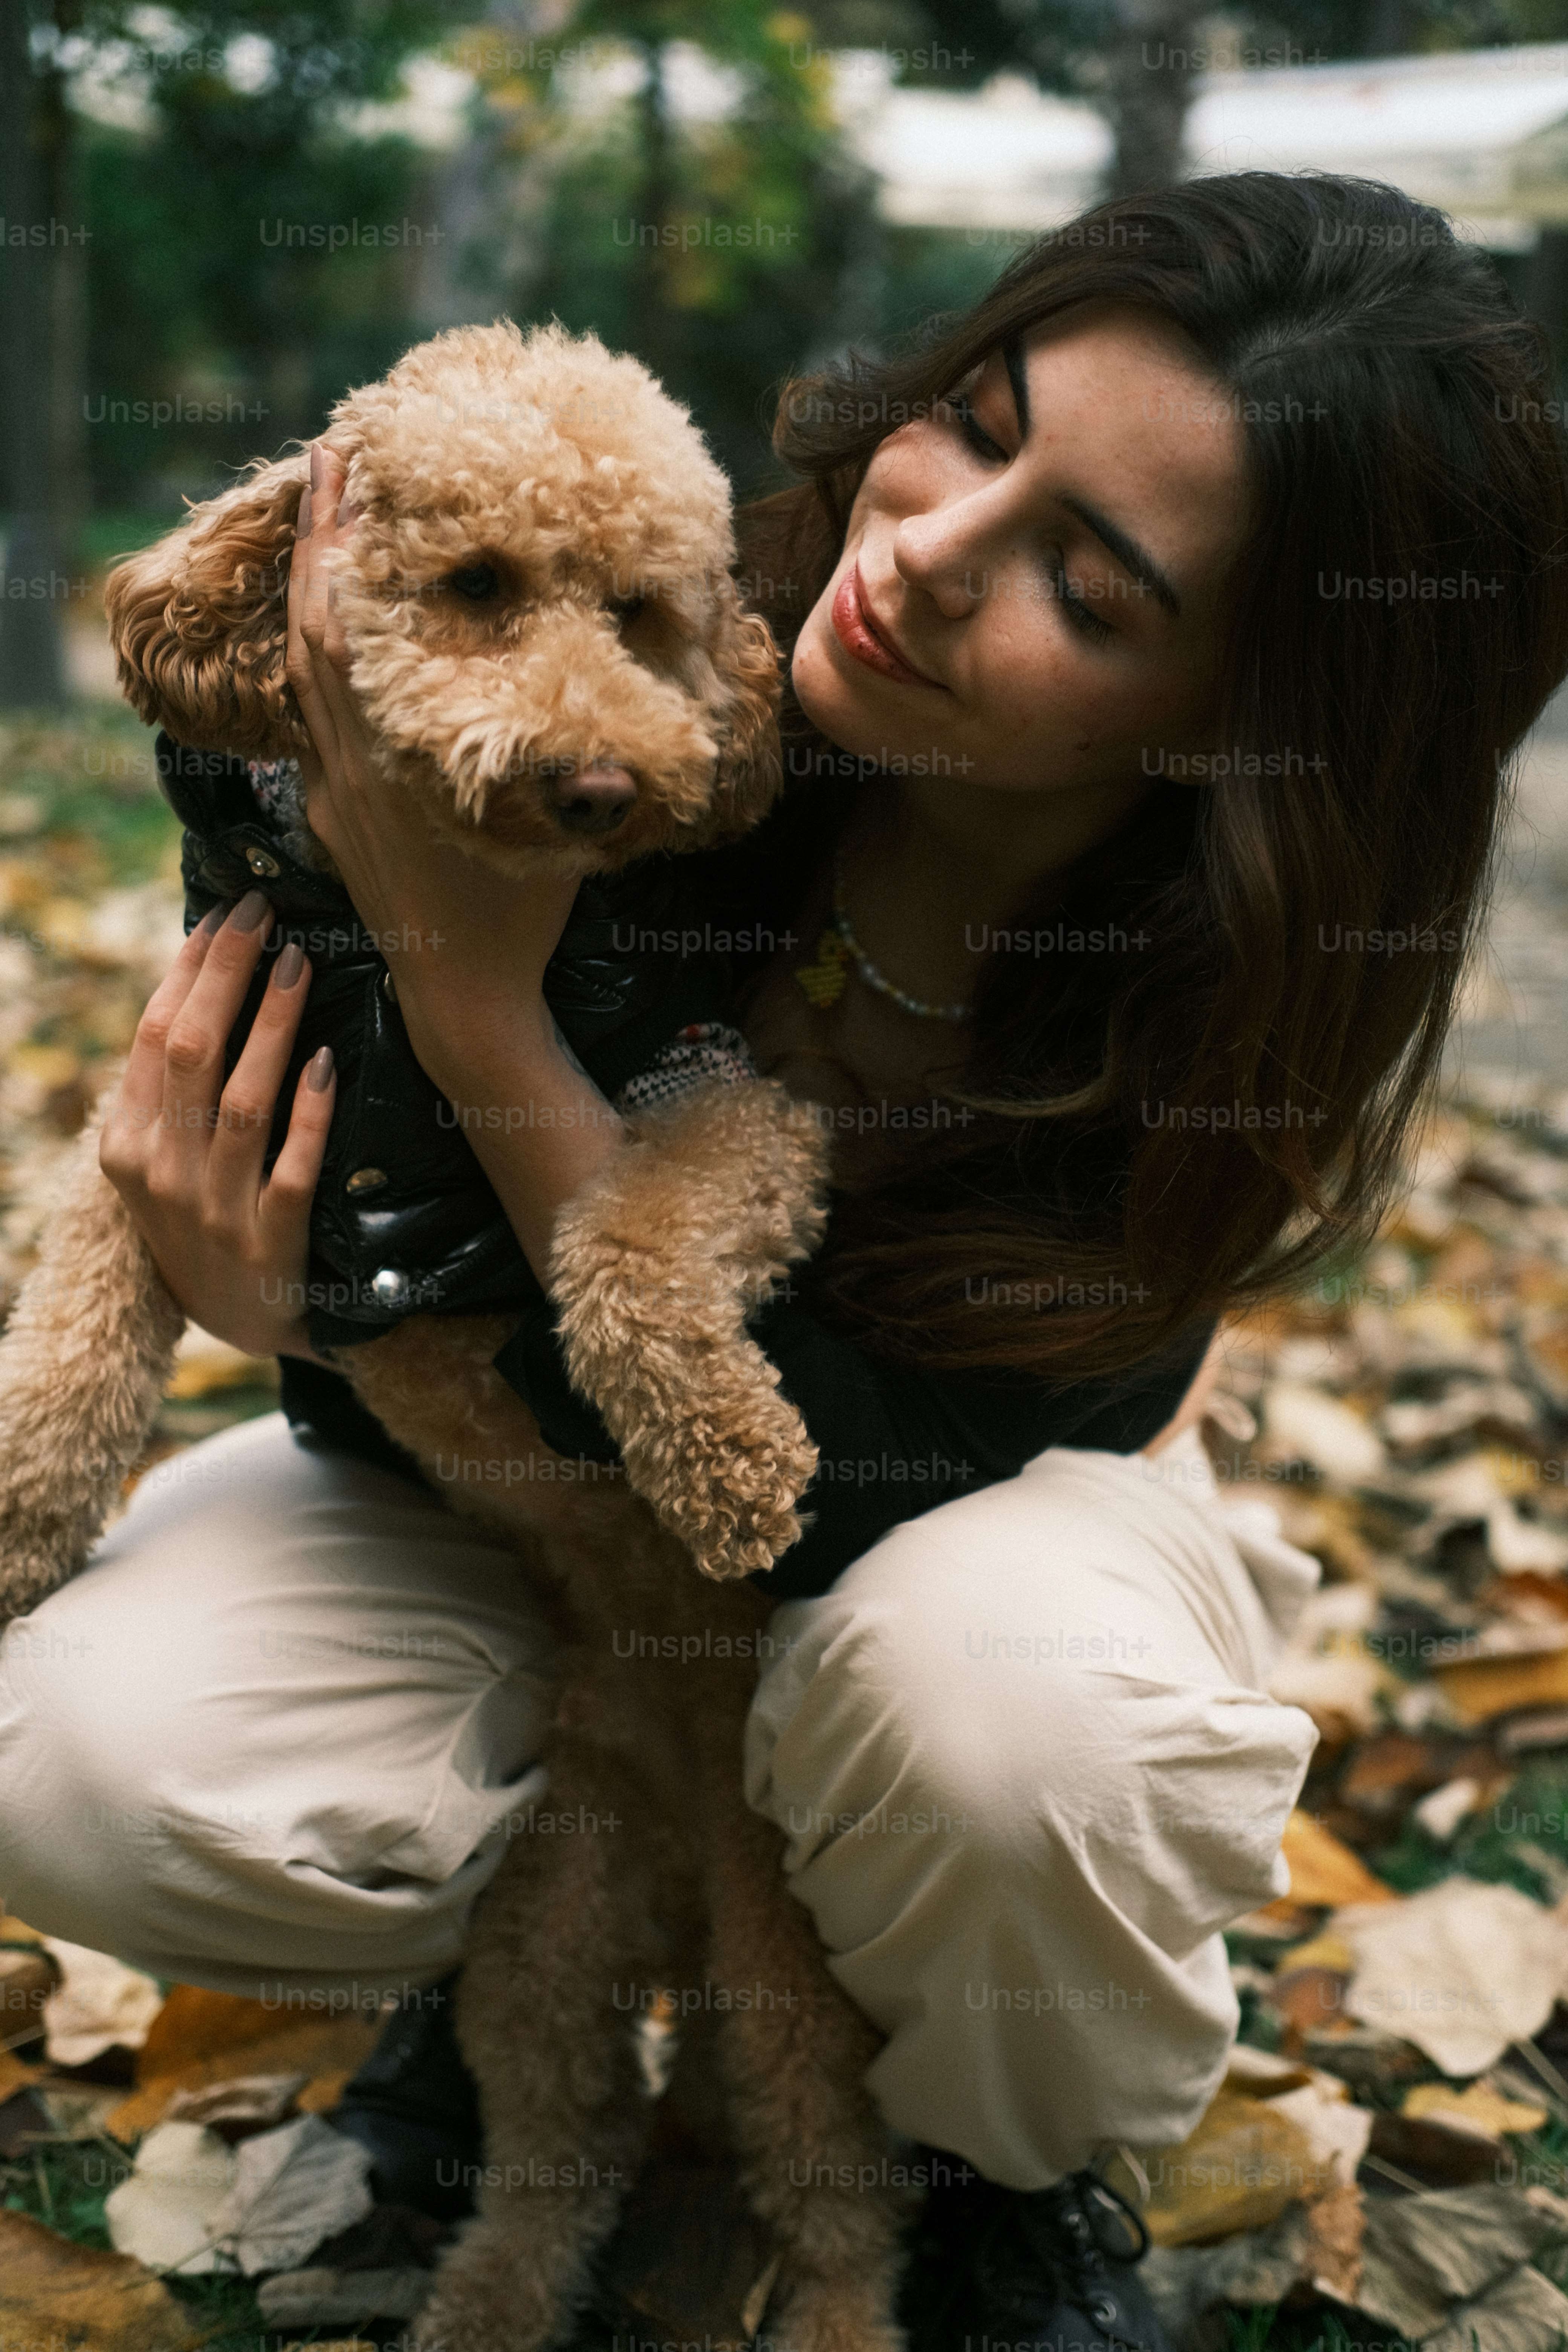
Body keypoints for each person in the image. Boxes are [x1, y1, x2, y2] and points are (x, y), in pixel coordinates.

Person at [2, 170, 1566, 2350]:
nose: (920, 550)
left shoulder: (1200, 1026)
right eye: (981, 422)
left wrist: (481, 1009)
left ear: (1240, 726)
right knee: (81, 1743)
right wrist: (291, 1291)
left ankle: (995, 2155)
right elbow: (385, 1256)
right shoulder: (663, 682)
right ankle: (509, 1984)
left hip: (951, 1539)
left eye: (1087, 586)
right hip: (518, 1486)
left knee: (995, 1735)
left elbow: (817, 1500)